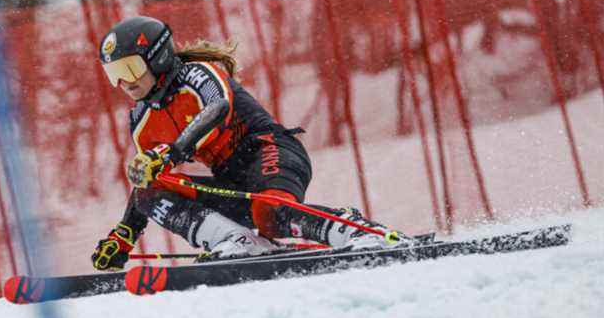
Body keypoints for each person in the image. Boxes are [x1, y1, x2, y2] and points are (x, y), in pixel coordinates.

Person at [91, 16, 404, 271]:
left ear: (157, 57)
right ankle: (235, 240)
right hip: (232, 180)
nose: (124, 83)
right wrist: (125, 234)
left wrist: (172, 152)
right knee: (149, 189)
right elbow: (146, 178)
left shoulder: (195, 74)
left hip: (269, 151)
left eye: (130, 68)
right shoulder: (142, 117)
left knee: (269, 213)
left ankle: (356, 231)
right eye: (114, 73)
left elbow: (217, 108)